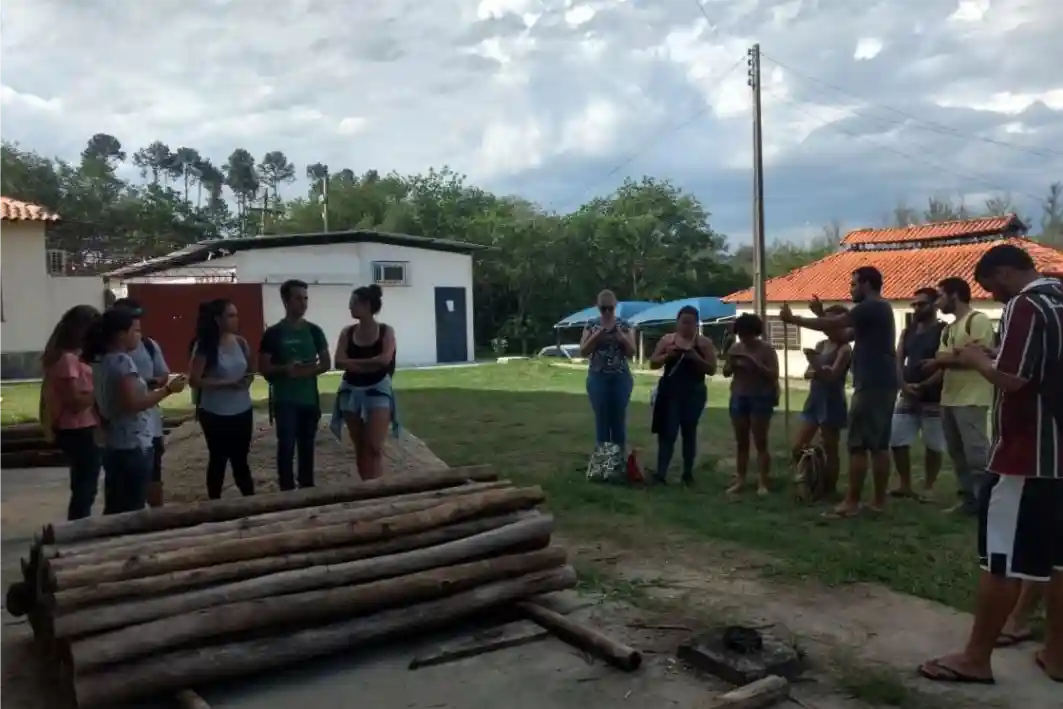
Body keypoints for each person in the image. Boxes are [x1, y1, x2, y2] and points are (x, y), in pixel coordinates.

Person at [919, 244, 1063, 685]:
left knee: (1000, 558)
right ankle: (1058, 655)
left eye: (991, 288)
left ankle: (976, 658)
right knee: (1059, 559)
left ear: (1003, 274)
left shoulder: (1026, 305)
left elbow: (1013, 380)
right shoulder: (1060, 297)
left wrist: (977, 359)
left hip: (1026, 454)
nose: (994, 297)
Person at [780, 266, 898, 517]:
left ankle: (851, 503)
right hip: (882, 383)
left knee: (858, 446)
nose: (851, 288)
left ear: (867, 284)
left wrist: (794, 320)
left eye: (854, 284)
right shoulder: (880, 309)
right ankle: (878, 502)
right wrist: (821, 314)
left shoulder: (870, 307)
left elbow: (836, 323)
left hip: (871, 385)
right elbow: (843, 332)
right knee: (878, 445)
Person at [86, 307, 187, 514]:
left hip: (114, 441)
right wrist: (168, 390)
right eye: (136, 331)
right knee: (132, 506)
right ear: (121, 335)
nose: (139, 337)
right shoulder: (122, 361)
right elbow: (133, 404)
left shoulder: (100, 359)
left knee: (116, 503)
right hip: (132, 443)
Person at [922, 277, 995, 515]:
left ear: (954, 295)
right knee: (957, 453)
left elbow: (972, 358)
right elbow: (944, 358)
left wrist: (948, 359)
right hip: (950, 398)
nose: (938, 302)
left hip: (972, 398)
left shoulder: (977, 320)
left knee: (976, 454)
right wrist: (952, 357)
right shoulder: (949, 329)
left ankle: (987, 502)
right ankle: (968, 500)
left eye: (941, 295)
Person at [258, 279, 331, 491]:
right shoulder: (274, 333)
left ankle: (307, 488)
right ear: (285, 300)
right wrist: (285, 370)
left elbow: (326, 363)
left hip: (309, 399)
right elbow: (263, 366)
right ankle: (287, 491)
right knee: (286, 447)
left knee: (307, 447)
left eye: (306, 298)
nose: (303, 303)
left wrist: (305, 371)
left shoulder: (314, 331)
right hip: (285, 400)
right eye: (298, 298)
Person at [40, 305, 102, 520]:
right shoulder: (67, 360)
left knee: (84, 484)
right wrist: (102, 390)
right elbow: (75, 402)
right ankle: (78, 527)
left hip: (83, 428)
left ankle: (78, 524)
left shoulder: (75, 357)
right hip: (77, 429)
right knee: (86, 486)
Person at [189, 299, 255, 500]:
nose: (236, 319)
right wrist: (225, 383)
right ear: (218, 319)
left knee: (241, 460)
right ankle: (214, 504)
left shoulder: (241, 342)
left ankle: (250, 501)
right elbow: (195, 380)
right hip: (215, 413)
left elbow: (250, 370)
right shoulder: (205, 346)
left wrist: (246, 381)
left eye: (236, 314)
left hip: (242, 409)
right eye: (231, 315)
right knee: (218, 459)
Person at [331, 285, 399, 480]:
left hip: (378, 390)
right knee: (360, 446)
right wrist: (370, 363)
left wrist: (353, 363)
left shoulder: (386, 331)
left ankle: (377, 488)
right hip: (350, 391)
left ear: (367, 305)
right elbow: (338, 362)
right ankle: (366, 487)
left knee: (374, 446)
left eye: (353, 303)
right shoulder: (347, 332)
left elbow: (385, 360)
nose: (349, 307)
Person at [648, 305, 717, 485]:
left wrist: (695, 357)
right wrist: (666, 356)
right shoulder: (667, 340)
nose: (686, 326)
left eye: (691, 323)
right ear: (677, 322)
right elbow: (653, 363)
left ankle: (687, 473)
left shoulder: (704, 343)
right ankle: (661, 473)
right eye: (683, 322)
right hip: (670, 392)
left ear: (696, 324)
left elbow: (711, 369)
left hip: (693, 392)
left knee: (689, 432)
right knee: (667, 433)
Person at [889, 287, 947, 501]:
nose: (916, 308)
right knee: (897, 440)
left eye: (921, 304)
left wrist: (925, 384)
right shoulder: (909, 330)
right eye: (914, 304)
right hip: (907, 394)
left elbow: (945, 365)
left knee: (933, 444)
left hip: (934, 396)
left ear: (933, 306)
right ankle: (905, 484)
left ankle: (929, 486)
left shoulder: (943, 331)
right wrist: (902, 384)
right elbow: (898, 358)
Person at [112, 297, 170, 507]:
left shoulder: (149, 345)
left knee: (154, 473)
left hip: (151, 423)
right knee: (127, 488)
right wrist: (145, 386)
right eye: (132, 322)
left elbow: (163, 373)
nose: (137, 327)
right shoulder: (114, 358)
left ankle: (155, 517)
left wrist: (157, 382)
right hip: (125, 431)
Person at [793, 304, 852, 498]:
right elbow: (808, 373)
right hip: (815, 398)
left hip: (832, 400)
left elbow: (832, 375)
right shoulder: (821, 345)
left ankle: (829, 488)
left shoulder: (845, 349)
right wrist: (817, 368)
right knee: (799, 445)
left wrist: (816, 366)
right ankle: (808, 478)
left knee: (830, 446)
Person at [722, 313, 778, 495]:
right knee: (741, 441)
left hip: (761, 397)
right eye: (741, 334)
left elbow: (773, 375)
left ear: (756, 332)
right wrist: (732, 364)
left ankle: (763, 481)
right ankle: (740, 479)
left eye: (748, 334)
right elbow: (725, 372)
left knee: (760, 441)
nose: (744, 338)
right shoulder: (736, 348)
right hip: (739, 396)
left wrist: (755, 364)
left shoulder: (767, 350)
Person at [580, 289, 636, 451]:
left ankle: (619, 457)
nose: (607, 312)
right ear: (598, 307)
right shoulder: (591, 325)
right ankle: (603, 459)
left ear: (615, 306)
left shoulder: (624, 325)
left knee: (618, 418)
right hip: (598, 376)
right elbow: (583, 351)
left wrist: (621, 337)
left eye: (610, 308)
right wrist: (596, 336)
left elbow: (632, 352)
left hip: (620, 377)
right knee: (601, 417)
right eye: (603, 308)